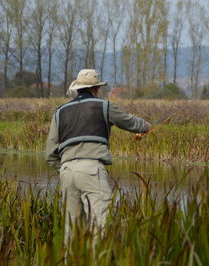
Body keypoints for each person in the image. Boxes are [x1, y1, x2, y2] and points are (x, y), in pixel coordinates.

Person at [45, 69, 151, 245]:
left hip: (66, 172)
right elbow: (130, 122)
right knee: (101, 228)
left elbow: (50, 154)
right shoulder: (104, 105)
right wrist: (145, 126)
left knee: (71, 232)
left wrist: (64, 168)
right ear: (95, 89)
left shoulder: (60, 112)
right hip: (92, 170)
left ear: (78, 88)